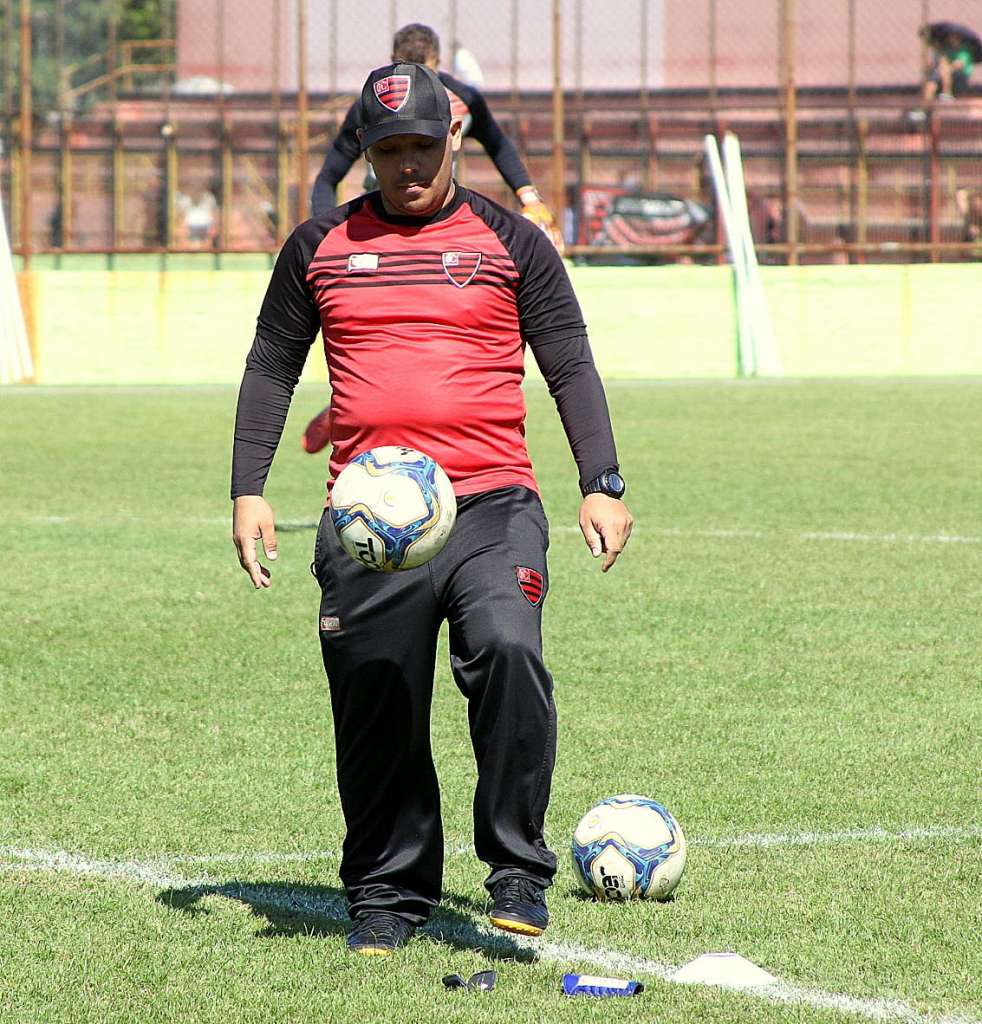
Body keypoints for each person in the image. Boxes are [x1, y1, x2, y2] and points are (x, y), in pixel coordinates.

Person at [231, 61, 632, 956]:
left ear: (453, 134)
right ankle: (387, 894)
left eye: (420, 144)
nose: (406, 165)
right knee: (377, 698)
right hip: (368, 522)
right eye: (387, 151)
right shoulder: (318, 246)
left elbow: (568, 359)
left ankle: (517, 870)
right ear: (365, 151)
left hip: (492, 502)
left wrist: (601, 481)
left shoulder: (513, 241)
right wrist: (248, 488)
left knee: (507, 648)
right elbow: (271, 364)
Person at [304, 24, 563, 456]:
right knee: (390, 334)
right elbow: (328, 177)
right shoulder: (373, 105)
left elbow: (498, 145)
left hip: (440, 227)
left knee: (440, 334)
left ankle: (363, 406)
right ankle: (355, 404)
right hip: (380, 235)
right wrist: (326, 241)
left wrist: (528, 197)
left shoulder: (460, 99)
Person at [920, 24, 975, 105]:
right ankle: (925, 105)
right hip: (942, 75)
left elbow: (958, 65)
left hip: (960, 77)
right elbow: (939, 62)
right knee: (932, 79)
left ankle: (947, 92)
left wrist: (944, 67)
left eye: (955, 37)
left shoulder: (964, 51)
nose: (952, 40)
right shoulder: (946, 50)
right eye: (951, 37)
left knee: (944, 69)